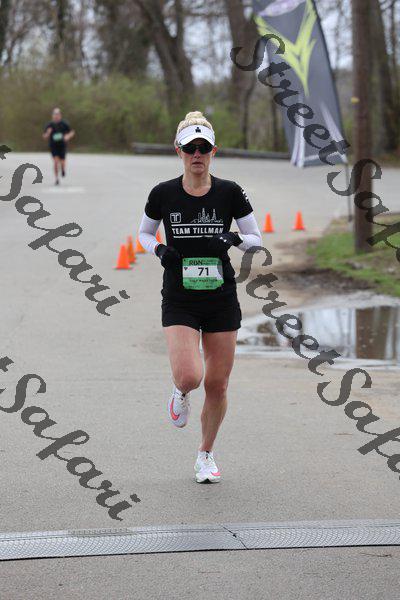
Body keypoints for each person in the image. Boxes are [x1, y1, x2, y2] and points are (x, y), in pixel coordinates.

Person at [138, 111, 262, 483]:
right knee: (191, 376)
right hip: (180, 297)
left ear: (213, 152)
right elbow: (144, 234)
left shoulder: (230, 192)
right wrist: (160, 250)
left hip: (221, 297)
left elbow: (255, 238)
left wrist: (233, 238)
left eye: (203, 148)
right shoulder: (163, 193)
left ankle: (205, 454)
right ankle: (180, 392)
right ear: (178, 151)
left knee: (217, 384)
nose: (197, 154)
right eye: (190, 147)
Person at [42, 108, 75, 185]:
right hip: (53, 146)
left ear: (60, 115)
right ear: (52, 116)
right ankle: (57, 178)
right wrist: (48, 133)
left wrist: (68, 136)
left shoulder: (64, 124)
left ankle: (63, 169)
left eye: (58, 115)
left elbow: (72, 132)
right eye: (55, 115)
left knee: (62, 162)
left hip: (62, 145)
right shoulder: (49, 125)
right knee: (56, 162)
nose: (56, 116)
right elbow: (44, 136)